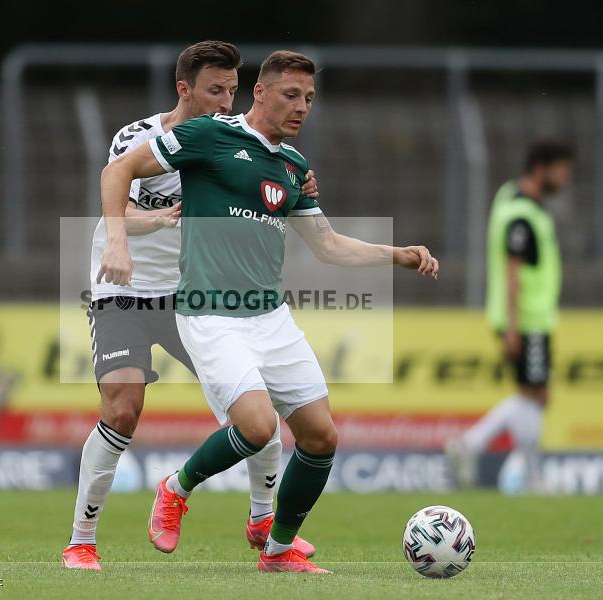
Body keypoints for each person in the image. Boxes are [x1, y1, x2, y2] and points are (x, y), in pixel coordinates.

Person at [97, 50, 439, 573]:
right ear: (259, 93)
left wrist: (398, 255)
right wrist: (117, 241)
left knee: (321, 436)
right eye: (290, 96)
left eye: (309, 99)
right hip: (210, 313)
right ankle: (175, 487)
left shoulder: (293, 166)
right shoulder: (210, 136)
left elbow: (326, 245)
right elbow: (120, 169)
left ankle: (278, 551)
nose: (301, 108)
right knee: (258, 427)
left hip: (270, 317)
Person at [62, 41, 320, 571]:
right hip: (124, 290)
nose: (226, 101)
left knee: (257, 408)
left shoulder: (231, 142)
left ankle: (262, 519)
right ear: (184, 89)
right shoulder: (143, 138)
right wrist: (125, 236)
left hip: (191, 296)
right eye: (214, 90)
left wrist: (295, 183)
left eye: (232, 90)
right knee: (123, 410)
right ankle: (82, 539)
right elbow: (116, 190)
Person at [446, 139, 574, 492]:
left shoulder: (512, 198)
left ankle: (481, 450)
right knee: (533, 395)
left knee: (535, 395)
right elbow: (512, 270)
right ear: (540, 168)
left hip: (532, 318)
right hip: (527, 319)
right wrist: (514, 327)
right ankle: (524, 473)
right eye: (561, 170)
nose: (565, 178)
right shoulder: (521, 215)